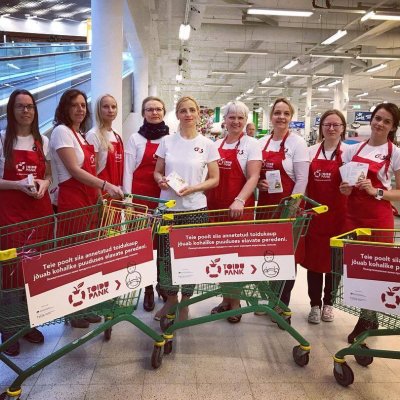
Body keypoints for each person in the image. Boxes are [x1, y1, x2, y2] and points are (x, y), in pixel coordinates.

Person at [49, 89, 123, 328]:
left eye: (82, 105)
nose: (80, 109)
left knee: (86, 256)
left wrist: (99, 198)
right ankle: (71, 311)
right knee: (74, 257)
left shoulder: (80, 135)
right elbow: (74, 170)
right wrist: (105, 186)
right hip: (73, 201)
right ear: (64, 108)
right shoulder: (61, 132)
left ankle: (84, 306)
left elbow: (90, 170)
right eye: (74, 105)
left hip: (90, 200)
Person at [153, 95, 220, 321]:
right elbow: (157, 171)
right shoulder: (167, 142)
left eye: (192, 110)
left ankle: (186, 302)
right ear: (177, 114)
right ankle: (171, 299)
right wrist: (160, 180)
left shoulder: (207, 145)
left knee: (191, 257)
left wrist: (194, 188)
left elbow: (215, 179)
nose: (188, 114)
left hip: (195, 209)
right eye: (183, 110)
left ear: (198, 114)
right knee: (166, 257)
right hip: (169, 209)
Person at [339, 102, 400, 343]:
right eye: (377, 118)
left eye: (386, 121)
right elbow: (346, 183)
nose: (380, 124)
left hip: (378, 217)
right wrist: (344, 188)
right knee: (355, 268)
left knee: (373, 269)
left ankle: (365, 319)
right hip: (352, 214)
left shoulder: (395, 153)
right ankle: (368, 316)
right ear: (371, 120)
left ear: (393, 127)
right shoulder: (353, 150)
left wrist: (377, 191)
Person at [0, 89, 54, 356]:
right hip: (11, 214)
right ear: (12, 110)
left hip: (38, 213)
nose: (26, 111)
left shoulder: (42, 140)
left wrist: (44, 183)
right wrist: (18, 184)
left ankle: (28, 323)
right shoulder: (2, 140)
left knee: (33, 270)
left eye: (30, 106)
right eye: (20, 106)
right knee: (11, 272)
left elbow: (49, 175)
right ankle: (9, 329)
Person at [207, 101, 262, 323]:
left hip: (239, 210)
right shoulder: (216, 144)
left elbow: (253, 176)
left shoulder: (252, 144)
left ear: (246, 120)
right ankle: (225, 299)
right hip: (215, 208)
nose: (236, 121)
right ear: (225, 120)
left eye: (240, 118)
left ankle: (236, 302)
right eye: (232, 117)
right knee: (220, 256)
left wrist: (239, 200)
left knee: (237, 257)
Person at [256, 98, 309, 317]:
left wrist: (292, 207)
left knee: (287, 257)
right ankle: (267, 298)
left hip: (289, 207)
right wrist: (259, 183)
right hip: (266, 206)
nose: (281, 117)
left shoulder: (298, 143)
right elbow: (255, 174)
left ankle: (282, 302)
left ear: (291, 117)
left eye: (286, 113)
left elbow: (302, 179)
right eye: (277, 113)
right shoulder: (262, 142)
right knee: (266, 253)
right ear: (271, 116)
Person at [123, 96, 170, 312]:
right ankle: (147, 289)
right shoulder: (135, 138)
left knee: (163, 244)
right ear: (143, 113)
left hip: (164, 199)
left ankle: (162, 284)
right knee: (143, 246)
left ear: (164, 112)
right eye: (150, 109)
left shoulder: (170, 139)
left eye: (158, 109)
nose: (154, 113)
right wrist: (129, 202)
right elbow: (127, 171)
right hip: (140, 200)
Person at [303, 110, 349, 324]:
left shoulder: (349, 153)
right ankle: (314, 304)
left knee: (335, 262)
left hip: (340, 217)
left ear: (343, 128)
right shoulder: (310, 152)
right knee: (314, 262)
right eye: (327, 124)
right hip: (315, 216)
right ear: (321, 127)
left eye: (336, 125)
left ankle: (329, 303)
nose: (331, 128)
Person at [86, 94, 124, 191]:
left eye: (113, 107)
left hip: (116, 190)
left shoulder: (117, 134)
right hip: (101, 191)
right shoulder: (93, 135)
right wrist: (99, 196)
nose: (110, 110)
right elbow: (92, 171)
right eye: (106, 107)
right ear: (98, 109)